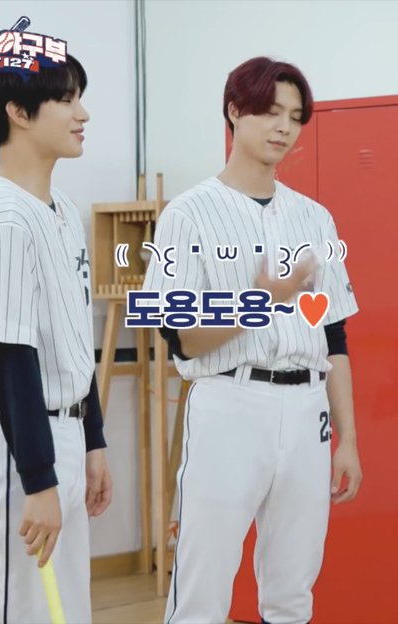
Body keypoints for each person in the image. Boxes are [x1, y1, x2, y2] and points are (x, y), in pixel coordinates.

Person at [143, 56, 362, 624]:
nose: (284, 127)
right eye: (270, 112)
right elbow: (181, 340)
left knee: (293, 588)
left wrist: (349, 439)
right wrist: (257, 302)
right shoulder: (189, 214)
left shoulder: (314, 218)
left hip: (308, 406)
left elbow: (334, 336)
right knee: (202, 585)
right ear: (235, 112)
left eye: (295, 116)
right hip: (230, 401)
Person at [0, 54, 112, 624]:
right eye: (66, 100)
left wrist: (93, 441)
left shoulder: (61, 209)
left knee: (68, 612)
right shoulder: (5, 220)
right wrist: (39, 479)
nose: (82, 114)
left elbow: (72, 339)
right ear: (18, 113)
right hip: (18, 443)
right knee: (23, 614)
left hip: (62, 435)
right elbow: (12, 355)